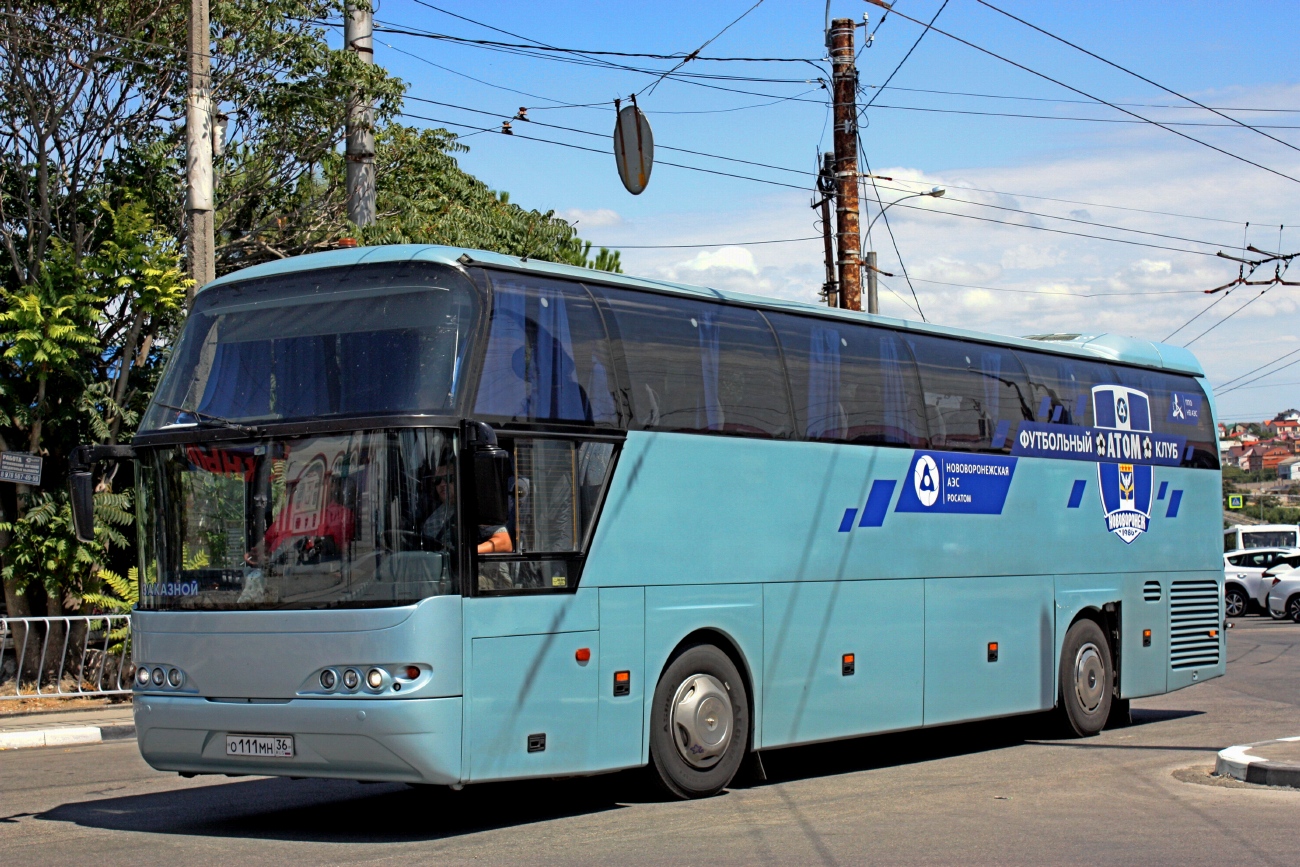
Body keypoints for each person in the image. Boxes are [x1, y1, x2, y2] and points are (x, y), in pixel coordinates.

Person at [421, 464, 512, 555]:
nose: (442, 484)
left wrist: (463, 553)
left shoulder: (477, 508)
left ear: (461, 479)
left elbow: (504, 543)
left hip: (474, 567)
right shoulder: (430, 517)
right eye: (437, 480)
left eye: (450, 478)